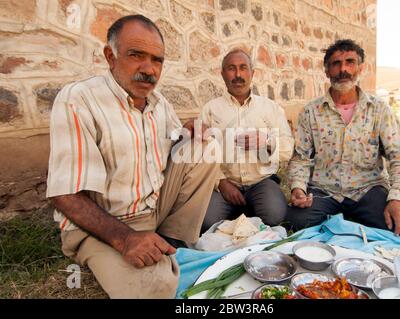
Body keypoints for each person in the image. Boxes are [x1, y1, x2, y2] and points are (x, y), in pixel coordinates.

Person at [46, 15, 218, 298]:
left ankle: (173, 240)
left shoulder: (159, 104)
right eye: (136, 55)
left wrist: (187, 132)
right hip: (104, 226)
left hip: (152, 211)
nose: (148, 69)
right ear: (110, 56)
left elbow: (175, 146)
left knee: (205, 144)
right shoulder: (79, 99)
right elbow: (65, 195)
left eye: (157, 60)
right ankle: (139, 252)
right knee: (157, 285)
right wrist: (125, 239)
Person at [286, 39, 400, 240]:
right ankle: (345, 221)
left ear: (360, 68)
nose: (343, 70)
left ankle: (344, 221)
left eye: (350, 62)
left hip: (367, 189)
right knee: (296, 222)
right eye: (336, 63)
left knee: (395, 225)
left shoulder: (378, 110)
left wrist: (399, 200)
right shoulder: (310, 112)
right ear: (326, 70)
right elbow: (301, 158)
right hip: (324, 190)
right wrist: (298, 188)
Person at [199, 49, 294, 233]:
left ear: (252, 73)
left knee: (275, 216)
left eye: (243, 68)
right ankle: (240, 209)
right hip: (226, 184)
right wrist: (221, 182)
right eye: (231, 69)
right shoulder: (211, 109)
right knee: (206, 221)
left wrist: (266, 141)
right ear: (222, 74)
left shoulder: (270, 108)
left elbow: (287, 148)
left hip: (261, 181)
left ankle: (249, 208)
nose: (238, 75)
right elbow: (202, 152)